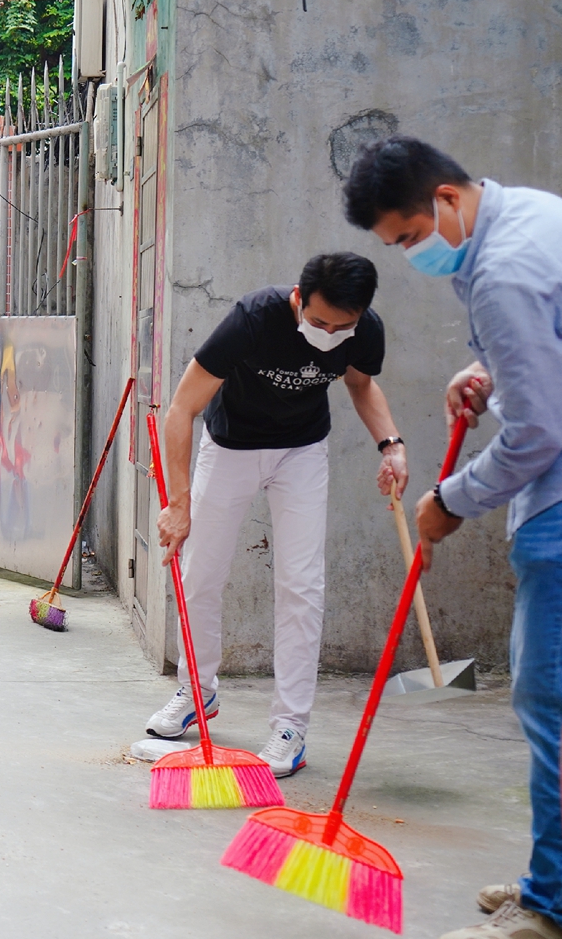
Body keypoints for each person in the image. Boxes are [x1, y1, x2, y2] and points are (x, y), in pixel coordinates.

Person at [345, 137, 562, 939]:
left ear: (448, 198)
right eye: (396, 244)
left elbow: (537, 432)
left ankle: (557, 911)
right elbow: (561, 349)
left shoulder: (503, 270)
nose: (411, 253)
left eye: (411, 235)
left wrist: (449, 500)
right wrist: (486, 367)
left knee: (555, 702)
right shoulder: (532, 215)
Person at [149, 253, 407, 777]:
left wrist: (391, 445)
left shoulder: (364, 329)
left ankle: (291, 726)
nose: (329, 335)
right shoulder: (253, 318)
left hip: (302, 450)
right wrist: (179, 503)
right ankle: (197, 689)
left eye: (341, 327)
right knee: (200, 574)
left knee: (302, 585)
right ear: (298, 298)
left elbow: (360, 385)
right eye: (319, 322)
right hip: (230, 446)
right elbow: (181, 408)